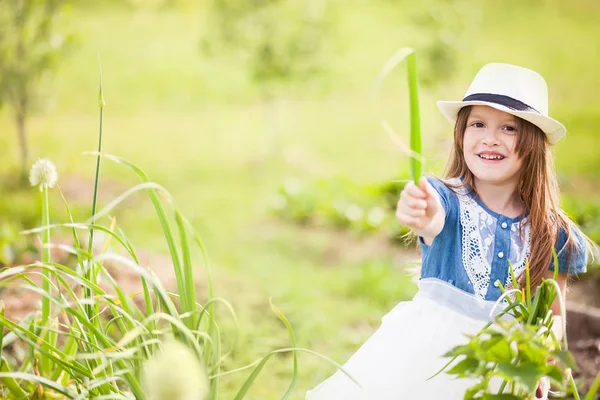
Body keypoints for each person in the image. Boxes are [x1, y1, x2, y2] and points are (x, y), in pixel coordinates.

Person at [305, 63, 593, 399]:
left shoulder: (553, 232)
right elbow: (430, 216)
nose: (490, 138)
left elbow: (552, 315)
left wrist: (541, 357)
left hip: (501, 370)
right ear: (461, 134)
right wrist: (418, 209)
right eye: (478, 124)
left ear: (534, 143)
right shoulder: (446, 199)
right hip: (428, 360)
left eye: (509, 128)